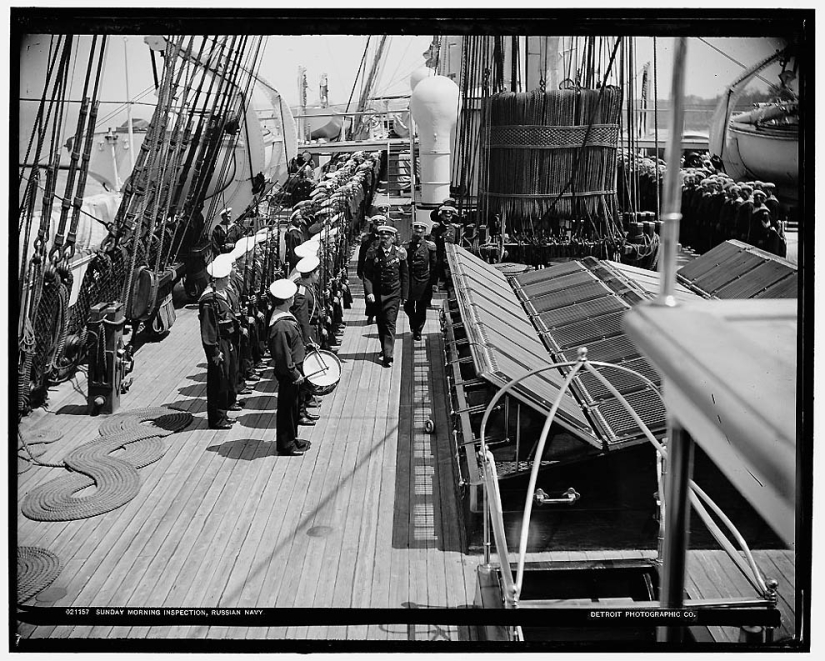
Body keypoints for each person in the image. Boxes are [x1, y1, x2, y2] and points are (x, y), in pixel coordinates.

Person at [268, 278, 312, 456]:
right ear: (287, 300)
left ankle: (292, 438)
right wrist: (294, 373)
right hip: (289, 375)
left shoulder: (285, 317)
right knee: (287, 409)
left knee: (293, 407)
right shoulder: (280, 325)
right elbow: (282, 355)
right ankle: (286, 444)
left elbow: (294, 343)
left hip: (295, 370)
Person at [199, 256, 239, 430]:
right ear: (217, 280)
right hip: (218, 342)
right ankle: (217, 418)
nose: (229, 279)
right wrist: (214, 351)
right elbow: (208, 329)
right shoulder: (209, 300)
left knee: (227, 376)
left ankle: (224, 411)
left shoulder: (222, 293)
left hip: (227, 339)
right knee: (218, 381)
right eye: (226, 278)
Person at [363, 221, 408, 367]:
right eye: (382, 237)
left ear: (393, 239)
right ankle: (385, 347)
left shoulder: (400, 253)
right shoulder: (373, 253)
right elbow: (367, 275)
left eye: (387, 237)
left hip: (393, 293)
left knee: (390, 323)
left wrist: (405, 295)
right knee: (381, 324)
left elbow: (404, 275)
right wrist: (369, 292)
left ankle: (388, 355)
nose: (384, 240)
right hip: (378, 294)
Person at [403, 220, 437, 341]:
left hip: (424, 281)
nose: (418, 233)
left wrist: (434, 283)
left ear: (424, 233)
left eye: (421, 231)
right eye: (416, 231)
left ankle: (418, 331)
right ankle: (413, 321)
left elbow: (434, 266)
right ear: (412, 231)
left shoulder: (429, 247)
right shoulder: (406, 246)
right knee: (408, 306)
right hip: (410, 281)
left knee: (422, 307)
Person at [357, 216, 381, 324]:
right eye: (376, 224)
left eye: (380, 224)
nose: (378, 227)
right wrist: (359, 270)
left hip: (381, 270)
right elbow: (361, 255)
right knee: (369, 293)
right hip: (369, 270)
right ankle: (370, 315)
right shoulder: (367, 240)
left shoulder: (385, 239)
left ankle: (380, 315)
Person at [429, 204, 459, 287]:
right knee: (436, 275)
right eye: (446, 216)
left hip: (450, 259)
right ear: (442, 216)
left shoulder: (454, 229)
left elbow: (456, 244)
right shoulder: (437, 228)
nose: (448, 218)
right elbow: (432, 243)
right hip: (439, 258)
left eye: (449, 216)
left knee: (450, 278)